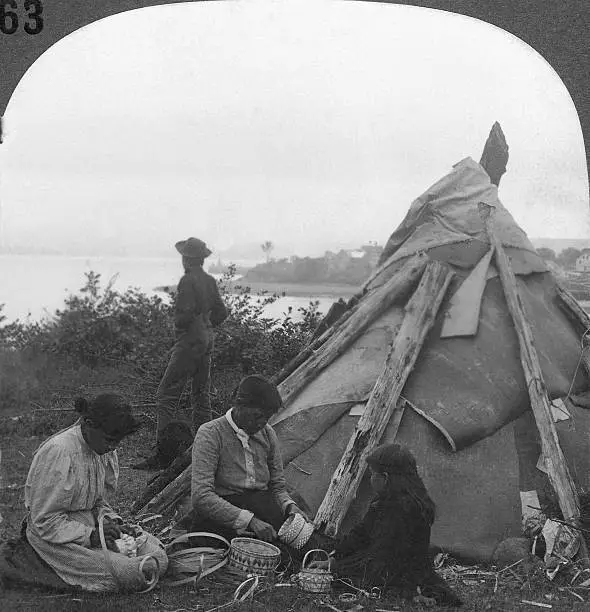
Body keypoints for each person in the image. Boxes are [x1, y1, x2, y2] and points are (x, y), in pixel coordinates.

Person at [11, 393, 169, 592]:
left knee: (158, 557)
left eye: (117, 442)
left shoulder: (103, 449)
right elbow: (45, 520)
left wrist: (111, 522)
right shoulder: (59, 452)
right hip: (53, 535)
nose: (113, 447)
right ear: (87, 423)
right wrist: (92, 536)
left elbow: (98, 501)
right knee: (133, 570)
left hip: (90, 524)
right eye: (110, 440)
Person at [313, 444, 462, 607]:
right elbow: (361, 534)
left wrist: (336, 567)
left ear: (385, 477)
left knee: (346, 578)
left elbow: (385, 559)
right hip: (385, 560)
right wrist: (334, 555)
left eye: (372, 475)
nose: (370, 480)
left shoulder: (402, 509)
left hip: (395, 570)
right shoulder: (386, 501)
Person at [175, 375, 307, 543]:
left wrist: (290, 506)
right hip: (223, 512)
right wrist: (250, 521)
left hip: (262, 505)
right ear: (239, 404)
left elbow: (278, 487)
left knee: (295, 544)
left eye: (266, 418)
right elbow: (202, 496)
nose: (262, 423)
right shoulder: (211, 434)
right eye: (258, 415)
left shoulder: (267, 434)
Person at [136, 236, 228, 470]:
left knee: (166, 395)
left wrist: (184, 324)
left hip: (189, 342)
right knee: (201, 395)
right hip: (207, 340)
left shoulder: (187, 281)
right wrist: (206, 325)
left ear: (187, 259)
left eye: (184, 257)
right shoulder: (209, 280)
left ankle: (164, 455)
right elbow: (221, 312)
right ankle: (206, 450)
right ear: (202, 259)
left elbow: (184, 315)